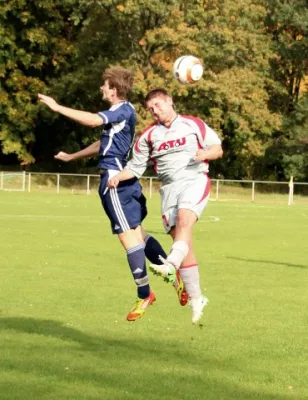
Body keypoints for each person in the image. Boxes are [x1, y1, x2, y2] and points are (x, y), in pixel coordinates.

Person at [38, 68, 188, 322]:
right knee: (139, 234)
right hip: (121, 177)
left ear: (114, 90)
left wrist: (57, 107)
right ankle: (173, 273)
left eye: (104, 86)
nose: (101, 89)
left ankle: (145, 294)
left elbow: (93, 121)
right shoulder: (122, 115)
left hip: (115, 181)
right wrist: (73, 156)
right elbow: (102, 144)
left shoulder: (123, 109)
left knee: (128, 240)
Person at [108, 88, 223, 324]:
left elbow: (217, 149)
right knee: (183, 240)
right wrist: (118, 176)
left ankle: (170, 265)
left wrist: (205, 153)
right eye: (151, 109)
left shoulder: (194, 124)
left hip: (194, 179)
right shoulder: (148, 136)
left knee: (184, 220)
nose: (155, 111)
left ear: (170, 102)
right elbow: (136, 168)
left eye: (158, 105)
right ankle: (196, 298)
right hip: (169, 189)